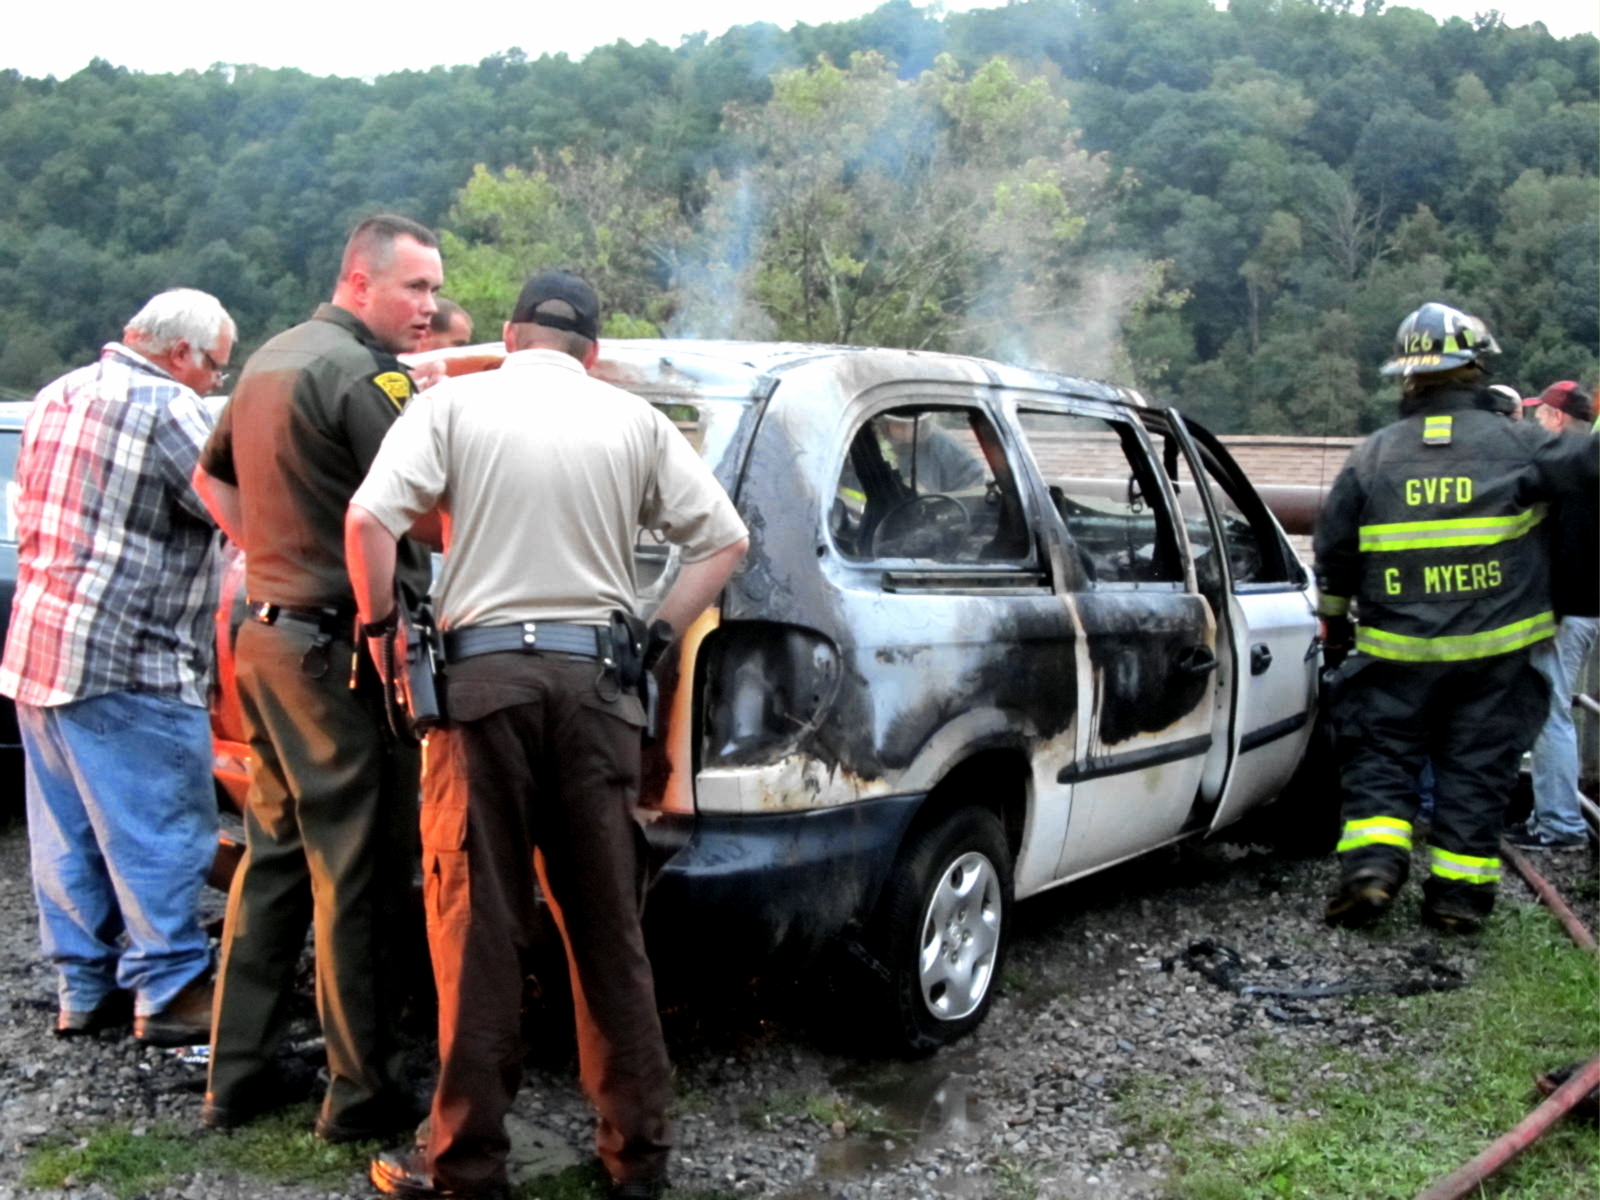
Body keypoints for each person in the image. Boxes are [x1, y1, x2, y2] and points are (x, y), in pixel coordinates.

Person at [345, 270, 749, 1200]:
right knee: (609, 929)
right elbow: (725, 542)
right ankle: (637, 1159)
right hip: (598, 690)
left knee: (477, 930)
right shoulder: (635, 421)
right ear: (591, 353)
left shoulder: (453, 406)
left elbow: (367, 518)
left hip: (481, 690)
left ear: (510, 335)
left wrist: (379, 632)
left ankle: (466, 1166)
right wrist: (654, 634)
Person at [192, 213, 442, 1142]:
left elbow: (210, 480)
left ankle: (238, 1073)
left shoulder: (269, 358)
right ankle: (363, 1091)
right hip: (340, 657)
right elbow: (429, 516)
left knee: (275, 856)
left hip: (265, 640)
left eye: (433, 289)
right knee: (359, 869)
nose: (430, 306)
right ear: (359, 281)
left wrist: (273, 559)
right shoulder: (364, 376)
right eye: (416, 287)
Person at [1315, 302, 1597, 935]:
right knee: (1477, 769)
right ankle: (1457, 900)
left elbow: (1334, 553)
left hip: (1395, 654)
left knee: (1381, 759)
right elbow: (1587, 471)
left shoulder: (1372, 456)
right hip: (1494, 658)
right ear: (1476, 366)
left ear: (1407, 376)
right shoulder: (1523, 443)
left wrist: (1334, 629)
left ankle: (1373, 868)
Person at [0, 289, 235, 1046]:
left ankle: (84, 987)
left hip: (40, 648)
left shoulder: (57, 394)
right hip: (132, 658)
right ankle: (170, 990)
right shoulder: (170, 407)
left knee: (67, 836)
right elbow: (236, 509)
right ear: (181, 353)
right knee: (159, 829)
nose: (215, 383)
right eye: (217, 369)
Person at [1508, 381, 1598, 851]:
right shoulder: (1588, 463)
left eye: (1541, 415)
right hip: (1583, 608)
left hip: (1568, 612)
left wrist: (1552, 613)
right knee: (1552, 711)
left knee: (1549, 714)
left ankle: (1561, 825)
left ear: (1558, 417)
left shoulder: (1574, 470)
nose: (1537, 422)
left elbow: (1570, 550)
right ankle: (1547, 817)